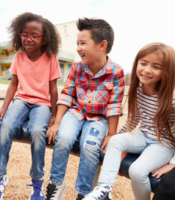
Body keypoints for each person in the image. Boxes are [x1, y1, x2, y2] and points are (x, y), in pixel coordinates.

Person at [45, 18, 125, 200]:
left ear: (102, 45)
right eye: (77, 44)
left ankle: (84, 192)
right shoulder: (77, 67)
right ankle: (56, 183)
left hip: (99, 118)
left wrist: (111, 134)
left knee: (90, 146)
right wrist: (57, 122)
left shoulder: (116, 72)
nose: (78, 48)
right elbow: (66, 95)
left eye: (83, 43)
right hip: (76, 112)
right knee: (63, 138)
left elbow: (114, 105)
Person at [84, 42, 175, 200]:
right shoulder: (140, 89)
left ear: (167, 72)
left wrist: (173, 164)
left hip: (163, 144)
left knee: (137, 171)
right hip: (143, 136)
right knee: (116, 140)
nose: (146, 70)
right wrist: (119, 139)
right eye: (143, 63)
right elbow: (134, 119)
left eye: (156, 67)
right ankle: (104, 189)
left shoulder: (171, 99)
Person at [0, 12, 61, 200]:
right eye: (24, 34)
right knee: (6, 126)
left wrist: (54, 114)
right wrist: (4, 108)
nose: (28, 38)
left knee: (37, 131)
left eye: (34, 35)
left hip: (42, 104)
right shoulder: (19, 57)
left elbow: (53, 89)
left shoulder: (50, 57)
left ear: (44, 40)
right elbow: (13, 84)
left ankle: (37, 185)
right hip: (22, 100)